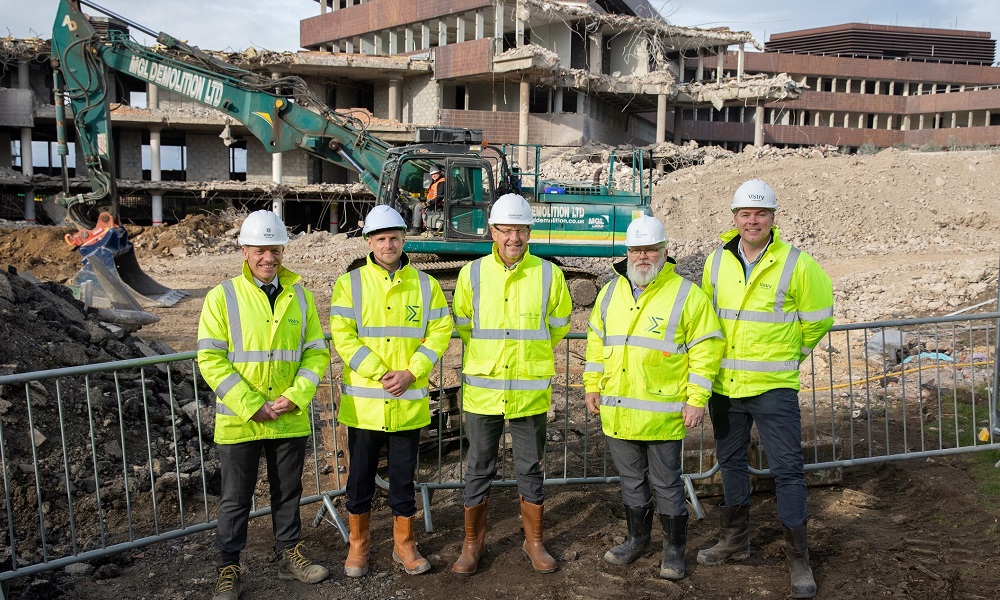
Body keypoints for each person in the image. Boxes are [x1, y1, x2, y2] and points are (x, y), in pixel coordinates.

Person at [698, 179, 834, 599]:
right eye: (745, 214)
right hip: (725, 386)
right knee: (732, 464)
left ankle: (799, 559)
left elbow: (819, 318)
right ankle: (735, 540)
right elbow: (705, 320)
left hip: (773, 388)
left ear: (773, 218)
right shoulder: (715, 262)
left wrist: (793, 357)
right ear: (734, 218)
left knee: (788, 471)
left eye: (760, 214)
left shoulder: (798, 264)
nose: (752, 221)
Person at [197, 210, 331, 600]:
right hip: (241, 421)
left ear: (283, 250)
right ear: (244, 251)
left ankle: (290, 554)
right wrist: (250, 404)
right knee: (236, 499)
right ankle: (228, 567)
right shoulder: (221, 297)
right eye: (259, 250)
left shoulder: (301, 298)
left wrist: (296, 396)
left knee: (287, 493)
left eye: (274, 250)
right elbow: (210, 358)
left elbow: (316, 354)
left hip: (287, 418)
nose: (267, 258)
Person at [583, 215, 724, 580]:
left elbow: (706, 350)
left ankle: (674, 550)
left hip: (663, 413)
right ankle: (637, 540)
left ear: (665, 252)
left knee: (666, 483)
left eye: (650, 249)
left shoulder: (686, 295)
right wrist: (592, 385)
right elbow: (597, 342)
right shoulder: (610, 292)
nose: (642, 256)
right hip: (618, 410)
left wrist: (697, 398)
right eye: (636, 250)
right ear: (627, 253)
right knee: (631, 481)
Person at [450, 193, 572, 576]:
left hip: (528, 394)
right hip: (484, 392)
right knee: (478, 467)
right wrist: (492, 359)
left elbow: (559, 324)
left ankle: (533, 542)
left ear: (529, 231)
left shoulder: (549, 274)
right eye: (506, 230)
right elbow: (465, 325)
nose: (513, 238)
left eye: (520, 230)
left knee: (530, 469)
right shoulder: (471, 274)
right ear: (493, 231)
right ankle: (473, 544)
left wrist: (528, 357)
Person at [329, 205, 453, 577]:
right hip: (366, 406)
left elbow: (440, 333)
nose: (388, 244)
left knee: (403, 479)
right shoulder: (349, 284)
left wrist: (411, 372)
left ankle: (404, 544)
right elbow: (343, 336)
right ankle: (359, 546)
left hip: (406, 404)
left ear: (403, 239)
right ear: (369, 241)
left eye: (394, 237)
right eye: (381, 238)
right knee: (360, 479)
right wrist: (381, 372)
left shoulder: (425, 285)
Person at [408, 166, 445, 235]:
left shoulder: (441, 182)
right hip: (432, 202)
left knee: (418, 207)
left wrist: (429, 203)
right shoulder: (435, 182)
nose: (433, 175)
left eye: (435, 174)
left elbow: (440, 197)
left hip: (436, 204)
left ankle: (416, 228)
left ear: (439, 173)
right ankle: (415, 226)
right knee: (415, 205)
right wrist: (424, 200)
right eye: (432, 174)